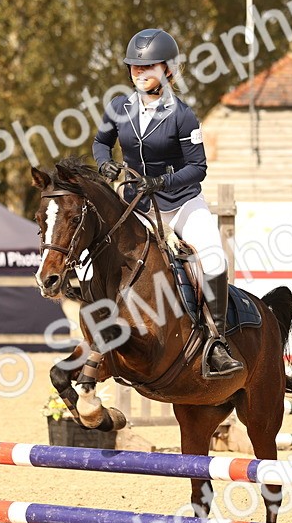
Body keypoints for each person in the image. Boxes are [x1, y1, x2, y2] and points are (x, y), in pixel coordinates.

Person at [92, 27, 241, 378]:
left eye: (150, 68)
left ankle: (217, 342)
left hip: (181, 203)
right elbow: (100, 143)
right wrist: (104, 163)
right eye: (135, 68)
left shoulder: (183, 115)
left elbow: (198, 168)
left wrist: (160, 181)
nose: (141, 74)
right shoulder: (118, 107)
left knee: (213, 257)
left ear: (169, 70)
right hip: (138, 206)